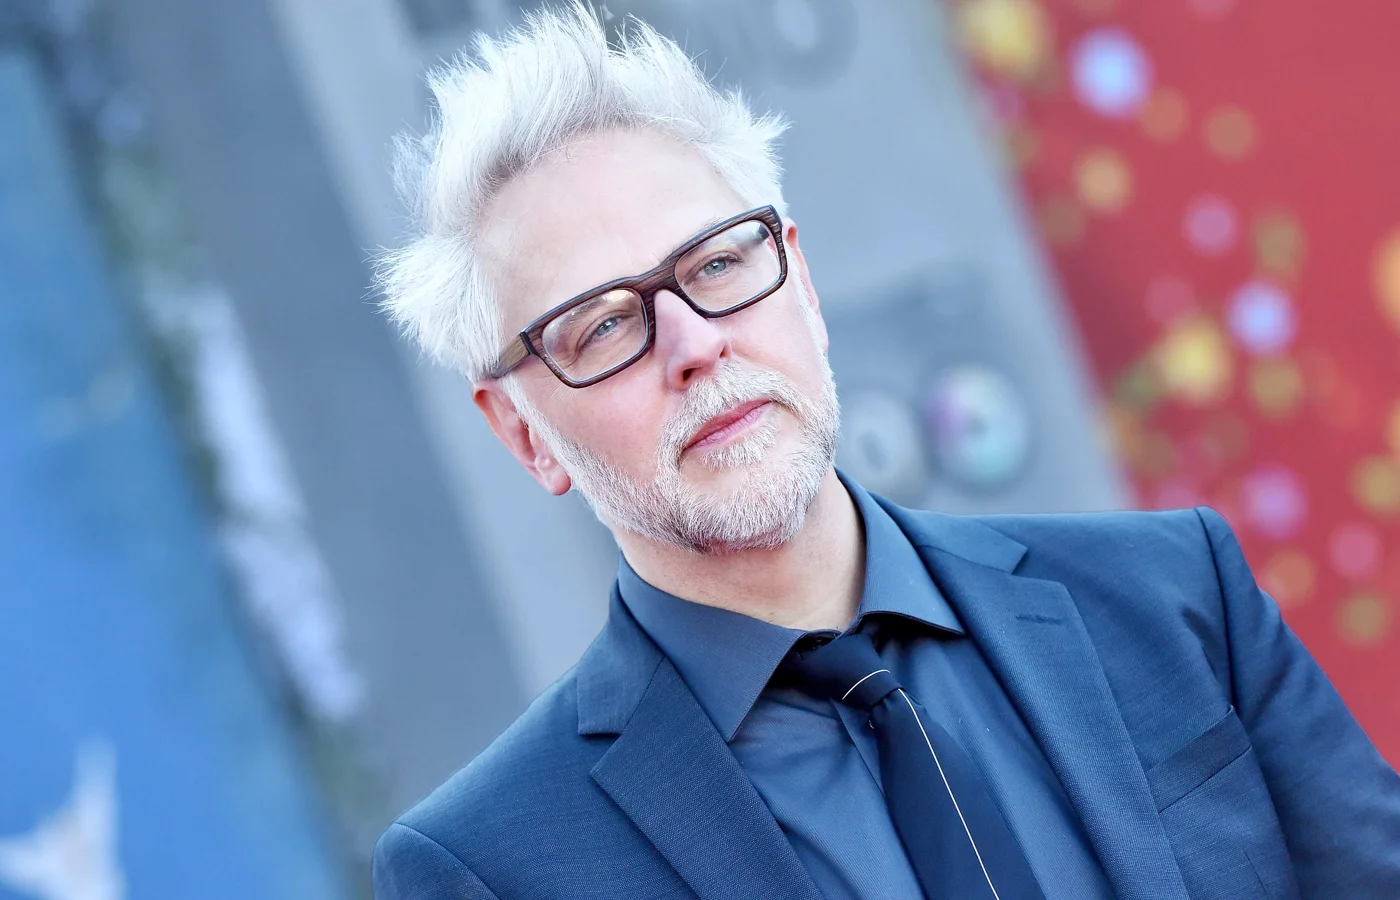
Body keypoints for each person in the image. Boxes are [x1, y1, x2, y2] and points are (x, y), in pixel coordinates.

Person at [368, 5, 1400, 898]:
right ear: (524, 434)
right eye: (601, 326)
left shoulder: (1171, 594)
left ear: (802, 284)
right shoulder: (491, 866)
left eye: (717, 264)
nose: (694, 344)